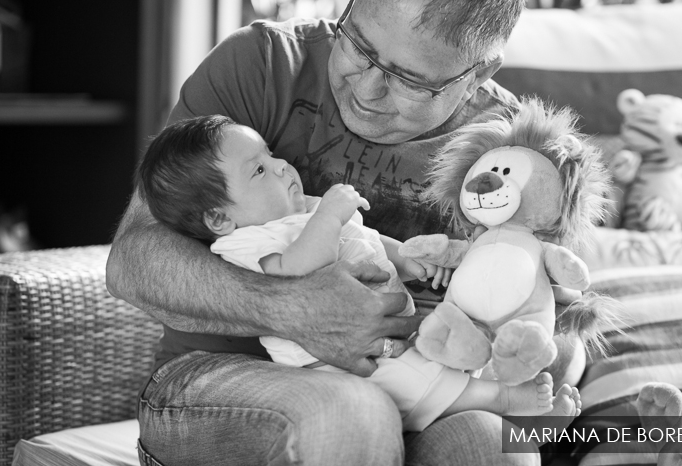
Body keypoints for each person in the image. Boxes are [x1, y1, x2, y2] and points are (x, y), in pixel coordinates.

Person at [108, 0, 552, 465]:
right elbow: (132, 261)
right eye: (358, 45)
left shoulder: (509, 158)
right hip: (214, 382)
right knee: (352, 411)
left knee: (495, 448)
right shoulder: (263, 64)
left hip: (421, 388)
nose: (366, 89)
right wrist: (292, 308)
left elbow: (535, 313)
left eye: (409, 80)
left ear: (477, 74)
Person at [136, 114, 585, 432]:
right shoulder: (244, 242)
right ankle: (506, 404)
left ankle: (526, 419)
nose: (280, 166)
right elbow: (293, 271)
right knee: (415, 386)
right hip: (332, 365)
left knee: (443, 362)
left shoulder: (303, 208)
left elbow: (366, 239)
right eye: (258, 170)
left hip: (392, 335)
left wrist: (408, 261)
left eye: (270, 154)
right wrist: (328, 217)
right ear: (219, 219)